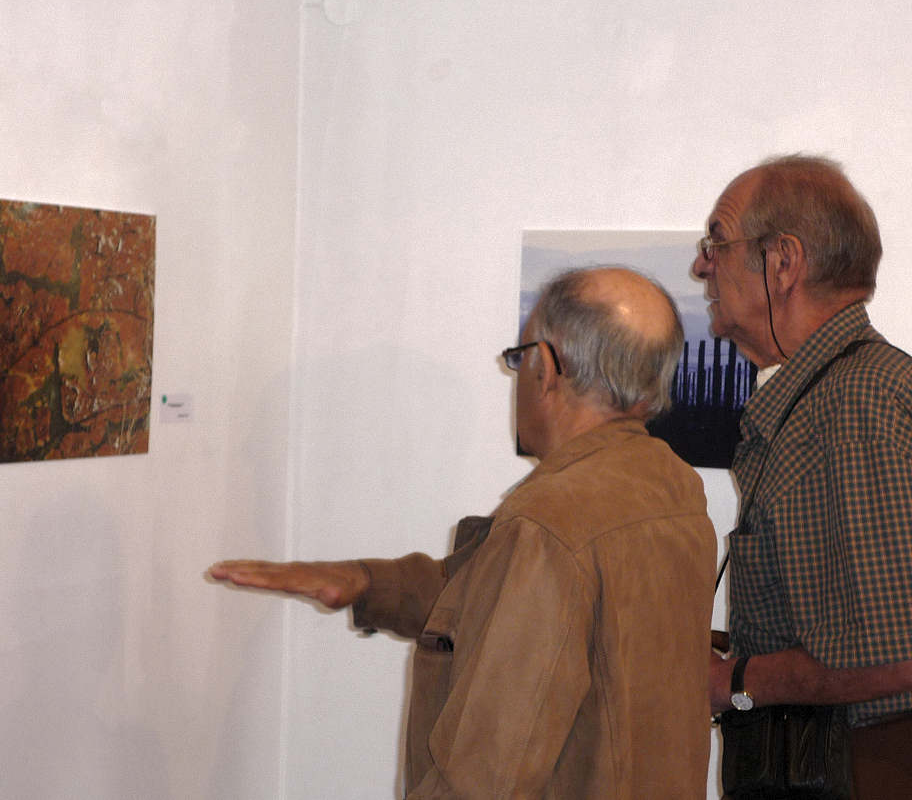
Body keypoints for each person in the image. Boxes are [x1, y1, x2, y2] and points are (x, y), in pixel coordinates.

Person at [210, 266, 716, 798]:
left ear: (546, 368)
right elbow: (497, 599)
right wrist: (365, 582)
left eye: (519, 358)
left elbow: (490, 769)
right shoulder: (670, 487)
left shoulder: (548, 523)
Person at [694, 155, 912, 797]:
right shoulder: (833, 393)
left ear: (783, 262)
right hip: (844, 763)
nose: (703, 266)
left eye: (717, 242)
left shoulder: (858, 399)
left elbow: (906, 656)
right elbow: (842, 627)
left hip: (867, 769)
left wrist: (732, 682)